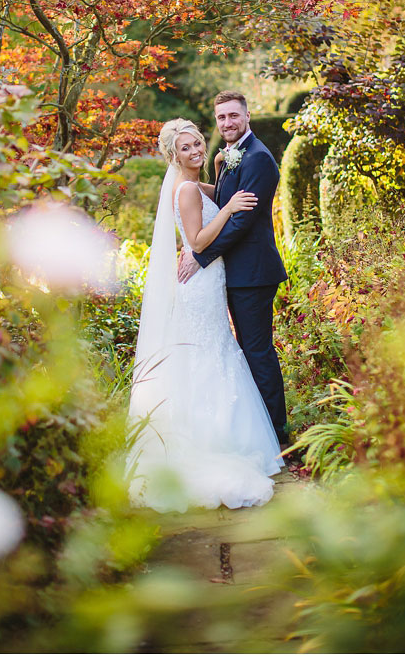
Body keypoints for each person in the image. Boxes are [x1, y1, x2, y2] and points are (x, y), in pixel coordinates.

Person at [126, 117, 284, 512]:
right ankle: (209, 442)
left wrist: (219, 174)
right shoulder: (184, 191)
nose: (196, 150)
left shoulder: (193, 184)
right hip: (201, 281)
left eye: (198, 143)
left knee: (215, 349)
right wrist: (229, 206)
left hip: (211, 281)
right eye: (186, 148)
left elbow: (212, 195)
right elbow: (196, 240)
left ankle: (220, 434)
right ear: (172, 155)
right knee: (207, 353)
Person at [179, 90, 291, 445]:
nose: (227, 122)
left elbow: (241, 222)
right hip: (238, 273)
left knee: (258, 352)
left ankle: (277, 436)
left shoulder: (257, 159)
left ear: (246, 117)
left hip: (254, 274)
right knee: (248, 350)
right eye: (221, 117)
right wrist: (189, 187)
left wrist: (200, 256)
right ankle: (260, 429)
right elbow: (225, 201)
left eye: (233, 116)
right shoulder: (226, 157)